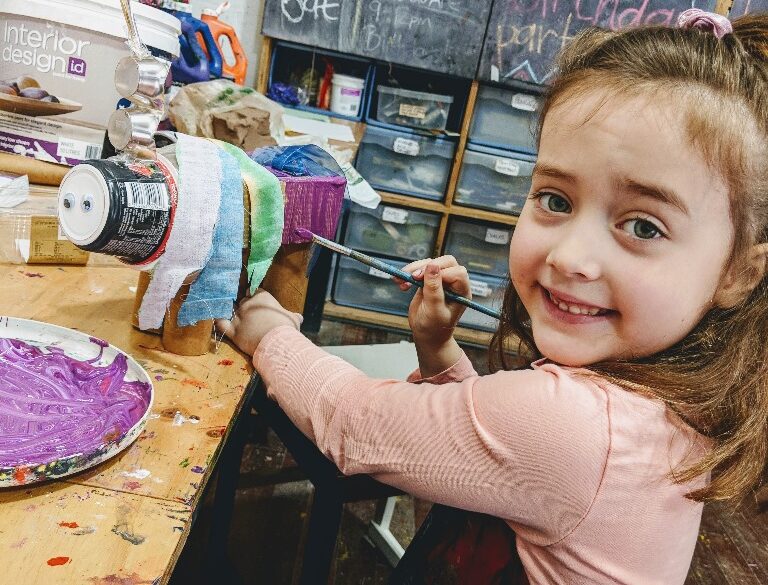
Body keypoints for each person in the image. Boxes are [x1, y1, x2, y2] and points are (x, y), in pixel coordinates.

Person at [217, 10, 768, 584]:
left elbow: (352, 425)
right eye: (555, 200)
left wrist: (268, 329)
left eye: (644, 227)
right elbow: (504, 462)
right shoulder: (658, 400)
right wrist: (438, 351)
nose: (568, 257)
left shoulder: (579, 428)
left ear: (738, 273)